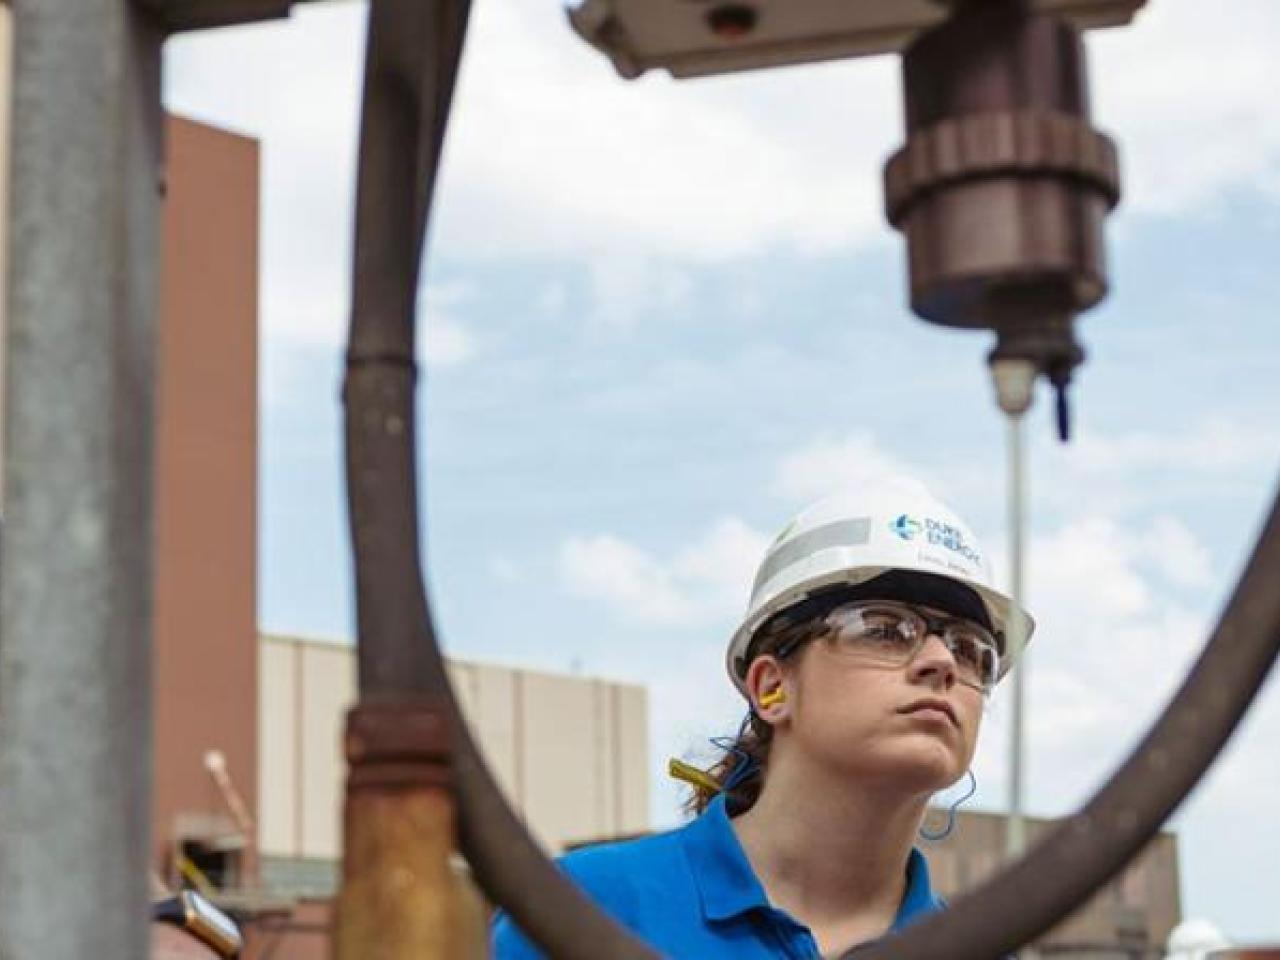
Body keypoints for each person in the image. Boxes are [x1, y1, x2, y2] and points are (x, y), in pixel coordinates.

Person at [492, 479, 1034, 959]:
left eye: (970, 650)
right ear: (772, 687)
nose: (942, 663)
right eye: (885, 629)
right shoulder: (588, 907)